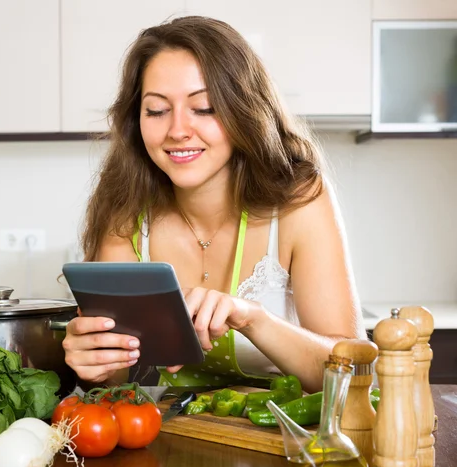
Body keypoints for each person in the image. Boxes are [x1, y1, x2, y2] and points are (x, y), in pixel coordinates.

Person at [62, 15, 366, 394]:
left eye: (203, 108)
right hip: (172, 440)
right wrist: (96, 362)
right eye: (156, 110)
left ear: (244, 110)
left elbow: (354, 371)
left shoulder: (297, 200)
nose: (177, 130)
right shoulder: (126, 212)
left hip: (284, 443)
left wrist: (253, 319)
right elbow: (120, 376)